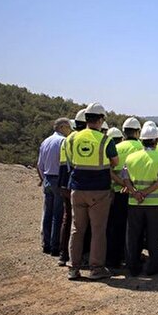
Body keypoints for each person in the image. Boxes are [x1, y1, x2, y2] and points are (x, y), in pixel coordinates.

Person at [66, 103, 118, 280]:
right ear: (101, 120)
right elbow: (115, 162)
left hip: (77, 188)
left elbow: (70, 161)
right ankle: (96, 269)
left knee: (77, 229)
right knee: (98, 230)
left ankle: (73, 268)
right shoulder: (106, 140)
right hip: (99, 191)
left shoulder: (72, 138)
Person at [123, 124, 158, 276]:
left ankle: (133, 266)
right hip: (155, 204)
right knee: (154, 235)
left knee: (133, 235)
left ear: (141, 140)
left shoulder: (131, 158)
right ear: (156, 141)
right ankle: (154, 265)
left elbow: (126, 180)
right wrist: (145, 192)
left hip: (134, 202)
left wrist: (136, 193)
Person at [105, 117, 142, 268]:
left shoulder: (117, 148)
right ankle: (133, 258)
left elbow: (109, 170)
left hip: (118, 193)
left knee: (117, 227)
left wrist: (123, 184)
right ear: (138, 132)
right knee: (135, 228)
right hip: (137, 195)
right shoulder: (141, 148)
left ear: (124, 132)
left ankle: (114, 259)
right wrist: (131, 187)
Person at [37, 118, 72, 256]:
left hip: (47, 178)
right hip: (58, 179)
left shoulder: (45, 141)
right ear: (62, 127)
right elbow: (66, 164)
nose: (69, 130)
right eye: (68, 127)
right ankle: (55, 246)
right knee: (58, 215)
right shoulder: (62, 141)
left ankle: (46, 243)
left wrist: (43, 179)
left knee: (47, 213)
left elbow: (39, 164)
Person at [57, 109, 86, 266]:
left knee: (68, 219)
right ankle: (79, 256)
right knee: (81, 223)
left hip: (65, 182)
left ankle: (64, 254)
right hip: (78, 184)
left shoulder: (67, 139)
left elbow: (64, 164)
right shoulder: (83, 138)